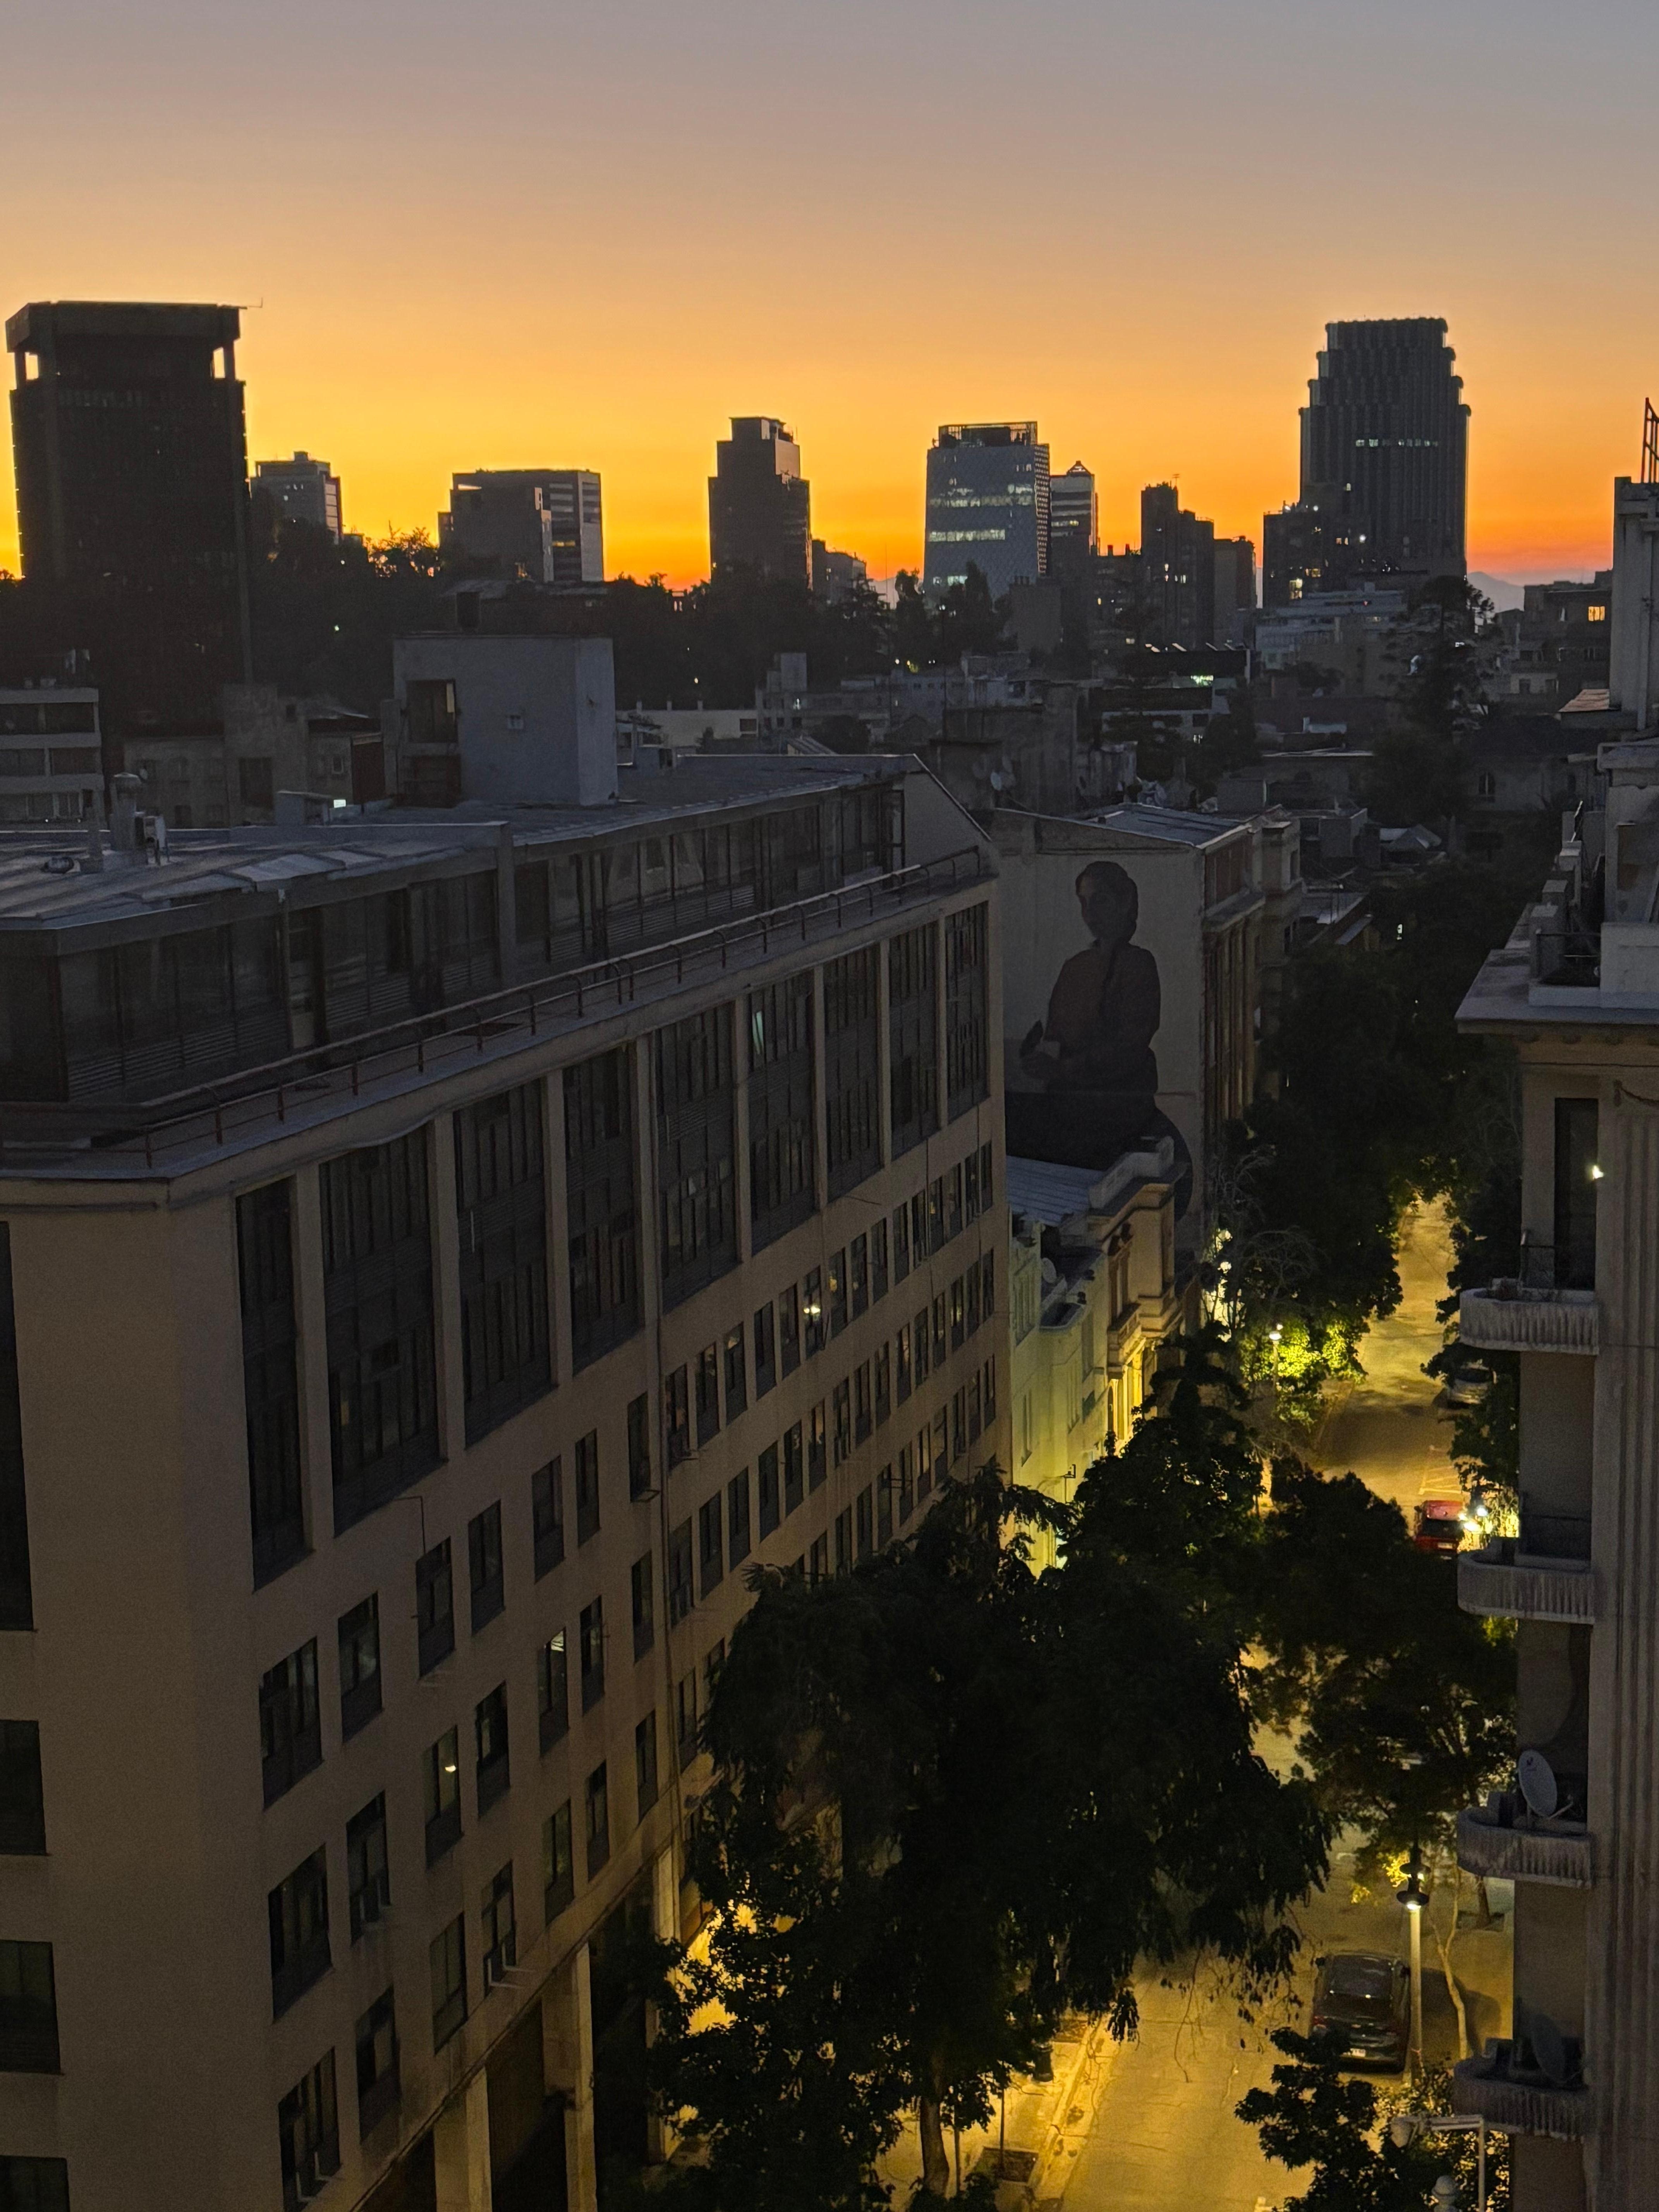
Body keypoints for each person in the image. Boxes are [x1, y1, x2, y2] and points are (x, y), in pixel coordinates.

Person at [1020, 860, 1160, 1097]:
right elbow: (1056, 1037)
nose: (1090, 915)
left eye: (1101, 901)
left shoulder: (1138, 965)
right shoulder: (1075, 967)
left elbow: (1129, 1047)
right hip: (1068, 1096)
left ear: (1125, 903)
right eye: (1084, 903)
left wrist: (1064, 1069)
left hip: (1117, 1101)